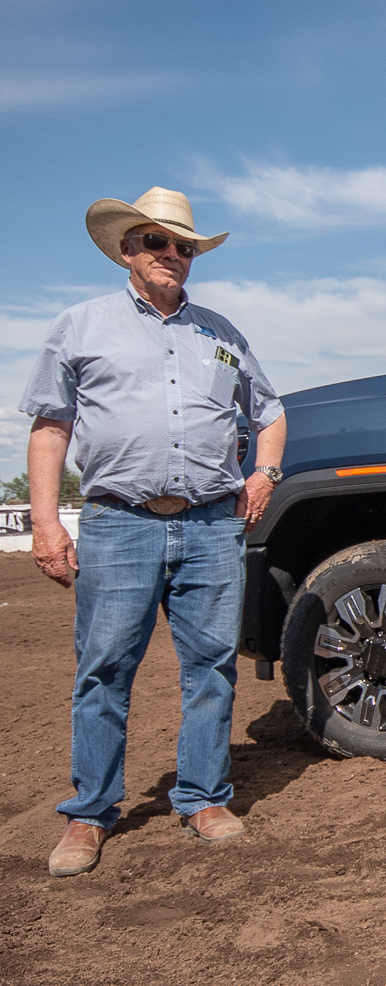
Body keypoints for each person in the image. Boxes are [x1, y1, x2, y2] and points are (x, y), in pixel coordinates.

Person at [21, 187, 285, 877]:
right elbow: (50, 426)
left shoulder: (222, 334)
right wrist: (45, 522)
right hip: (119, 524)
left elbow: (270, 411)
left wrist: (265, 474)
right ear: (126, 250)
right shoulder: (80, 326)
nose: (173, 254)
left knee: (213, 668)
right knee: (104, 670)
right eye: (157, 242)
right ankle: (90, 812)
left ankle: (203, 798)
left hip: (211, 526)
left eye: (184, 246)